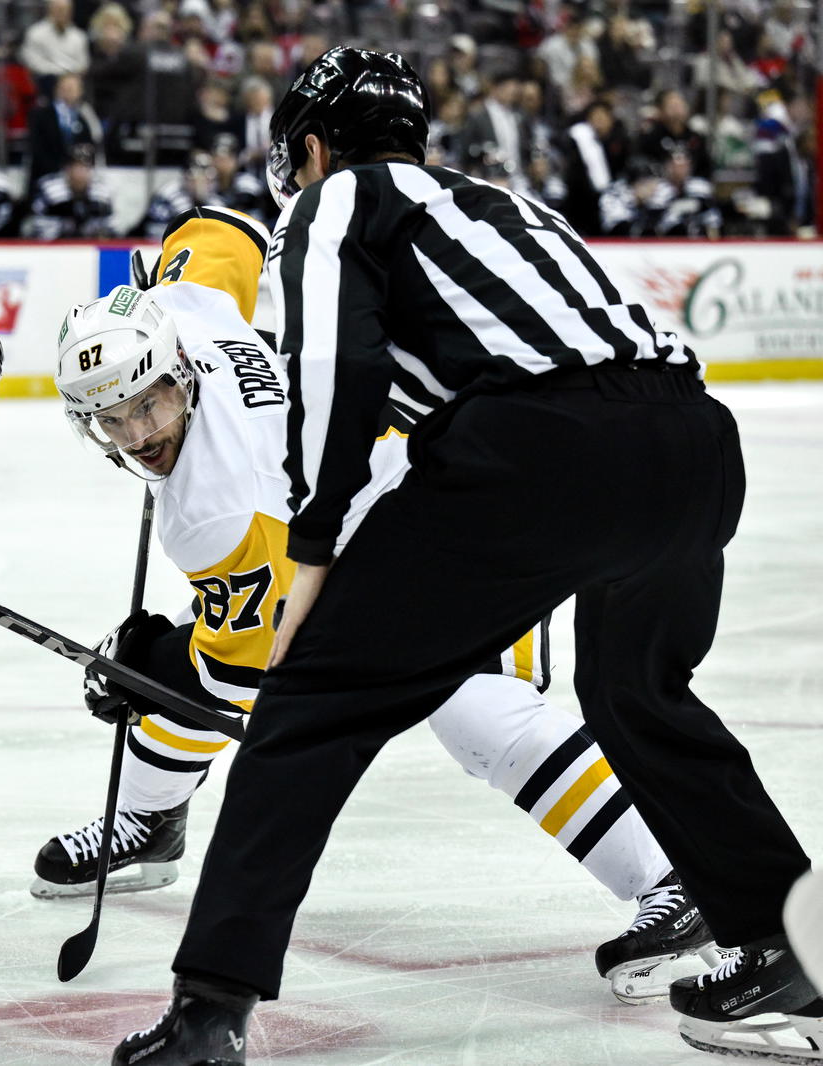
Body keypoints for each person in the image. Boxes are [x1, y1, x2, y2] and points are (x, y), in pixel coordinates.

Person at [108, 47, 818, 1066]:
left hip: (540, 454)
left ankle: (208, 1012)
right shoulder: (505, 205)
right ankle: (791, 948)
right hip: (692, 443)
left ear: (310, 147)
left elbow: (338, 373)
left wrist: (313, 554)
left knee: (307, 711)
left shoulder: (334, 202)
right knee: (642, 696)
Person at [46, 206, 721, 1007]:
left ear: (179, 373)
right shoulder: (183, 311)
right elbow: (222, 231)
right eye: (113, 420)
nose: (138, 434)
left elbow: (256, 665)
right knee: (203, 658)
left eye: (149, 406)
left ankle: (676, 878)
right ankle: (150, 823)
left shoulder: (221, 510)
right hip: (415, 491)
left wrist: (150, 664)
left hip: (464, 516)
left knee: (478, 706)